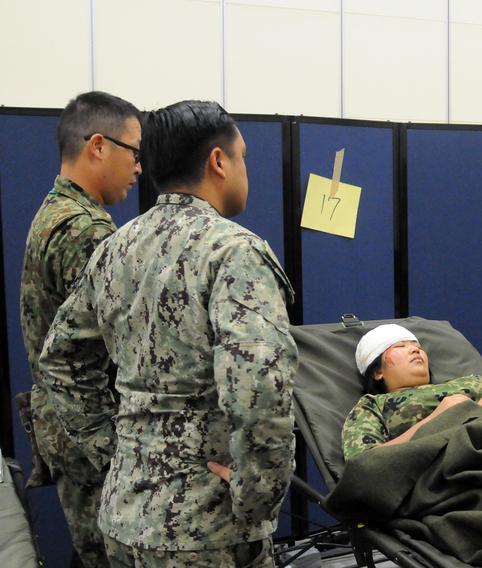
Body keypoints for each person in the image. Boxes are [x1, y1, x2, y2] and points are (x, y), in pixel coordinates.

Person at [37, 100, 297, 566]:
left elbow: (60, 359)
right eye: (243, 156)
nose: (245, 169)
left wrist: (112, 450)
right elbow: (261, 386)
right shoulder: (234, 252)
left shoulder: (116, 248)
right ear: (218, 161)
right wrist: (255, 501)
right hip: (207, 529)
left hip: (123, 515)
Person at [19, 90, 141, 566]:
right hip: (94, 437)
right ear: (98, 145)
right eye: (133, 151)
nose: (138, 167)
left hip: (70, 432)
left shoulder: (53, 214)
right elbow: (120, 349)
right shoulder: (86, 231)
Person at [342, 324, 482, 460]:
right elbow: (363, 462)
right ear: (377, 371)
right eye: (400, 346)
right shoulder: (373, 406)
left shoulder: (472, 381)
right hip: (457, 464)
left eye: (417, 346)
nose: (415, 349)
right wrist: (438, 419)